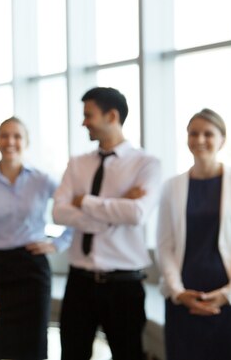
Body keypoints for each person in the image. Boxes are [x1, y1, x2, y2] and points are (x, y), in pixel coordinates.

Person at [52, 87, 161, 360]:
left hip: (124, 284)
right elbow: (58, 214)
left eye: (89, 115)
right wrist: (117, 206)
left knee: (128, 355)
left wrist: (85, 202)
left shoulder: (146, 164)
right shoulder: (77, 164)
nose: (83, 122)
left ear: (112, 116)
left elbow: (136, 214)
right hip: (79, 281)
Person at [156, 108, 231, 360]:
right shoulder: (172, 186)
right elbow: (164, 245)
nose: (199, 140)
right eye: (193, 133)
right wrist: (178, 291)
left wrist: (228, 294)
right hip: (184, 298)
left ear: (222, 139)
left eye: (208, 134)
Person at [0, 117, 73, 360]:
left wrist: (57, 244)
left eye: (17, 136)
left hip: (32, 270)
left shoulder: (43, 180)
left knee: (33, 350)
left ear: (27, 142)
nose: (10, 141)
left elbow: (75, 215)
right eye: (4, 135)